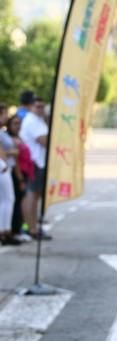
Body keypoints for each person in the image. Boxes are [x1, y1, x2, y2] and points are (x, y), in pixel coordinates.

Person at [19, 97, 51, 241]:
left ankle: (33, 225)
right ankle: (30, 227)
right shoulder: (31, 120)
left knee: (36, 195)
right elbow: (44, 141)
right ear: (31, 106)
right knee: (31, 195)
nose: (40, 109)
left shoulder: (39, 120)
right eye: (37, 106)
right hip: (34, 162)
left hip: (40, 162)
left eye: (42, 106)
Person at [6, 115, 32, 242]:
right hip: (16, 174)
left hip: (24, 173)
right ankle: (14, 230)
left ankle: (19, 228)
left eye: (19, 123)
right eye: (15, 123)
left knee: (19, 202)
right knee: (15, 203)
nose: (18, 126)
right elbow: (15, 160)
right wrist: (20, 178)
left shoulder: (20, 138)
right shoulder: (10, 140)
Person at [0, 105, 20, 245]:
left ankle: (5, 230)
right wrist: (11, 154)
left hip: (5, 167)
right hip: (3, 168)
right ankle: (4, 231)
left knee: (6, 200)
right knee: (8, 199)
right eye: (4, 114)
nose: (6, 117)